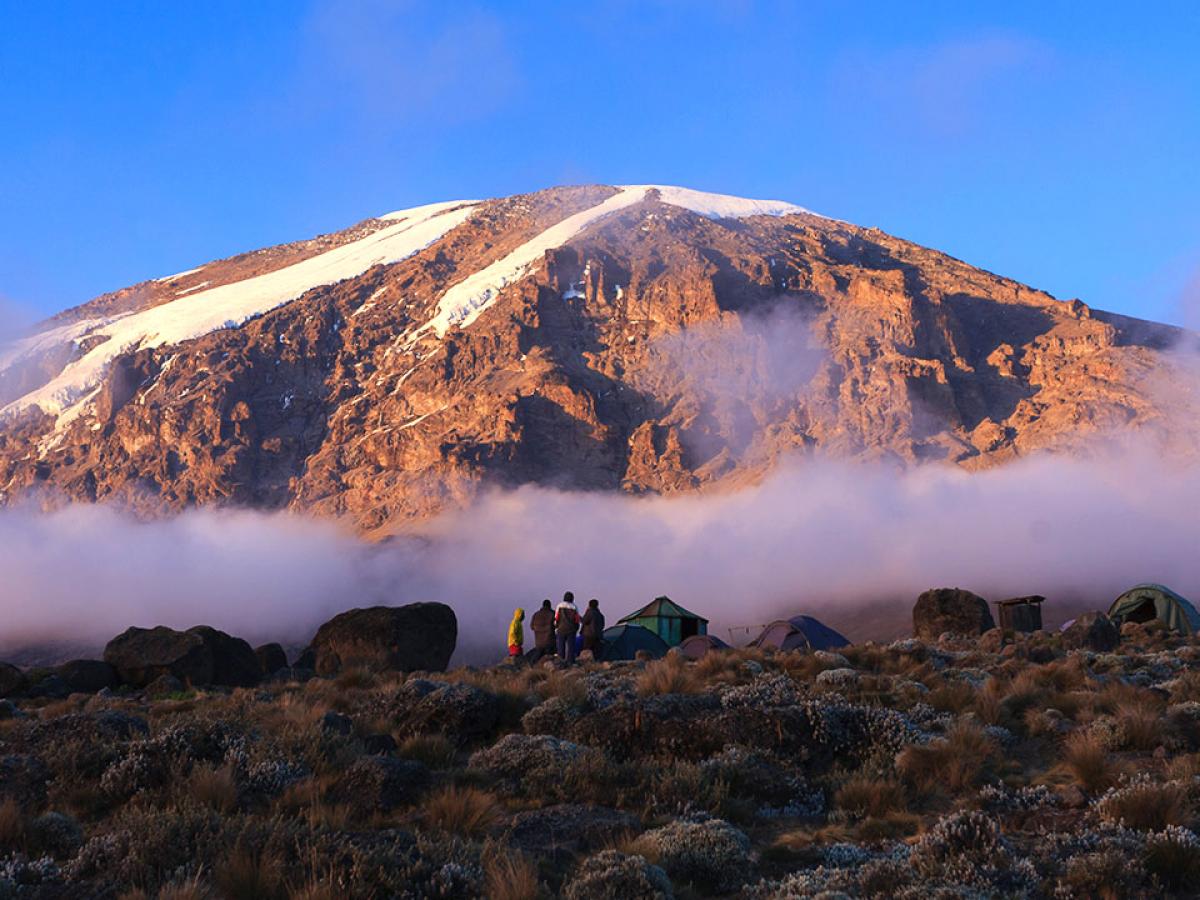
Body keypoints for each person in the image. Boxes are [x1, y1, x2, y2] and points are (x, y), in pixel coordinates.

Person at [555, 591, 581, 664]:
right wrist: (576, 628)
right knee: (571, 647)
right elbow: (577, 619)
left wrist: (556, 627)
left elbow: (556, 618)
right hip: (571, 630)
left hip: (561, 629)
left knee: (561, 646)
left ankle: (560, 662)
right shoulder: (574, 607)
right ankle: (570, 662)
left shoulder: (559, 606)